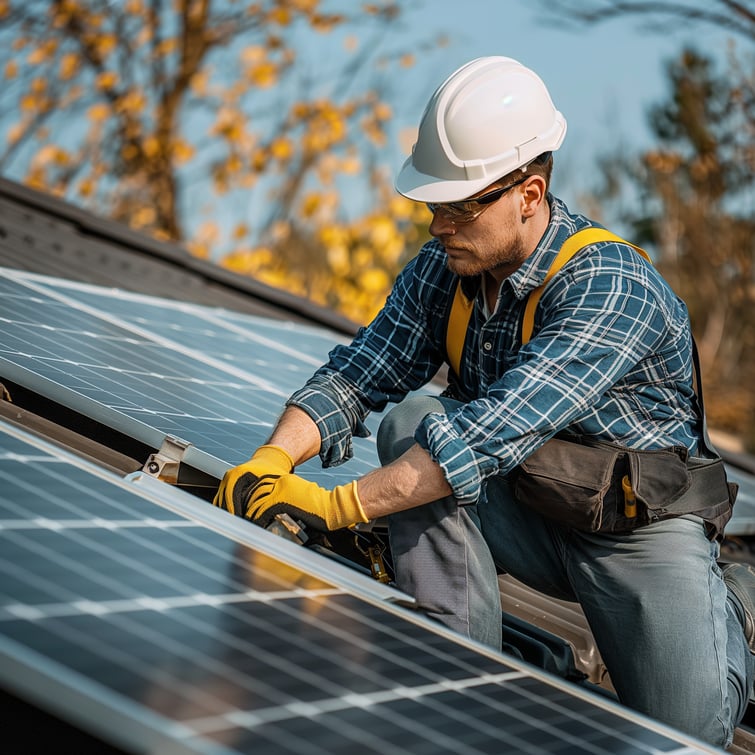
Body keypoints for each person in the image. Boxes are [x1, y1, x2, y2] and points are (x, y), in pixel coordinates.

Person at [214, 56, 754, 748]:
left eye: (456, 206)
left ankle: (733, 608)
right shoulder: (445, 270)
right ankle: (458, 662)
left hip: (633, 530)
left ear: (528, 193)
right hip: (525, 500)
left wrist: (336, 504)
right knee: (413, 422)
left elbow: (488, 432)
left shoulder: (612, 286)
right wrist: (273, 457)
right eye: (431, 205)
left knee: (685, 733)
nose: (438, 225)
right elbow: (358, 373)